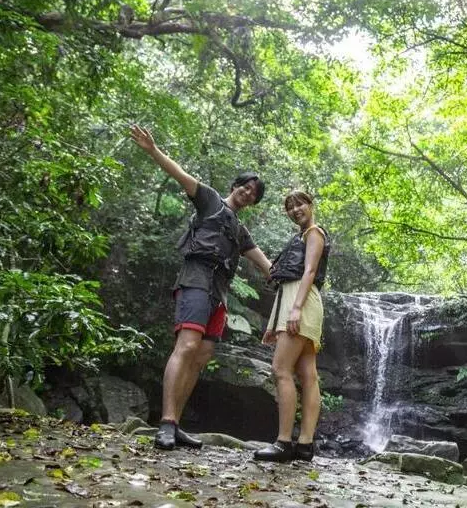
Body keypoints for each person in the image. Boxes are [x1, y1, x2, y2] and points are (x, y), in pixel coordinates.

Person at [130, 124, 272, 450]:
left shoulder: (241, 231)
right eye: (246, 186)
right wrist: (153, 150)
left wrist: (303, 277)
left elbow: (266, 266)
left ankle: (176, 423)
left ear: (254, 201)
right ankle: (166, 423)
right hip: (196, 279)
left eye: (254, 193)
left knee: (202, 355)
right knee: (187, 346)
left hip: (219, 293)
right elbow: (180, 174)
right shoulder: (210, 200)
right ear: (235, 186)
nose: (248, 193)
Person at [254, 190, 330, 462]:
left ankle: (284, 442)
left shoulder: (314, 233)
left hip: (301, 300)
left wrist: (296, 309)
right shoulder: (300, 236)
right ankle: (305, 444)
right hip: (295, 299)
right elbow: (286, 282)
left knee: (280, 369)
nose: (295, 209)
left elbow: (309, 271)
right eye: (290, 207)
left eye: (300, 204)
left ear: (310, 205)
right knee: (308, 374)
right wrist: (275, 321)